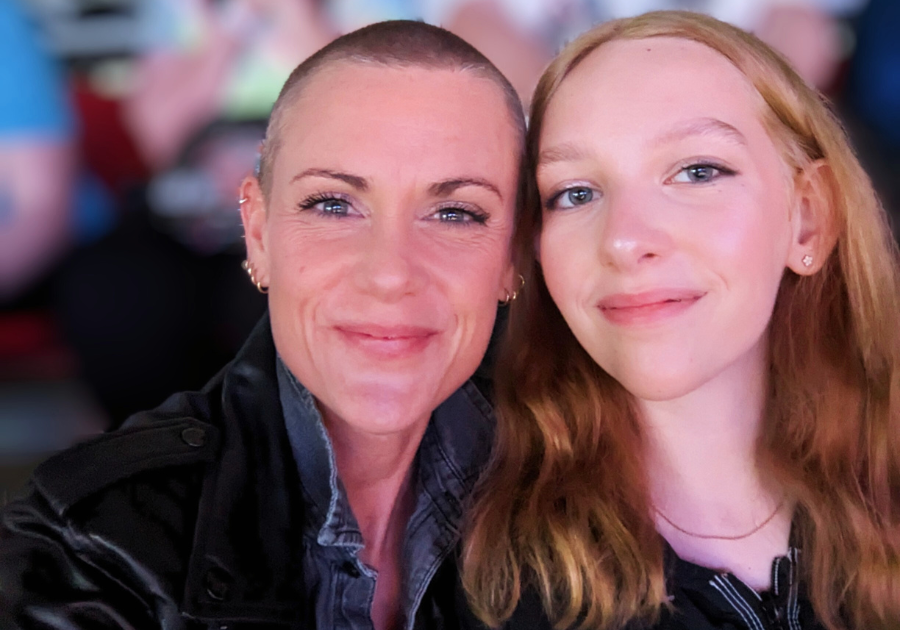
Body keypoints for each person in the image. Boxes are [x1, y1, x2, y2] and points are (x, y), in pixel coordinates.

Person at [0, 20, 525, 630]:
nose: (389, 273)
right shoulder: (87, 549)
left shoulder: (594, 502)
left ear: (514, 255)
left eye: (456, 213)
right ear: (258, 233)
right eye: (333, 204)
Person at [462, 10, 900, 630]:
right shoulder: (486, 571)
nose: (624, 240)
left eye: (698, 172)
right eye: (575, 193)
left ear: (807, 218)